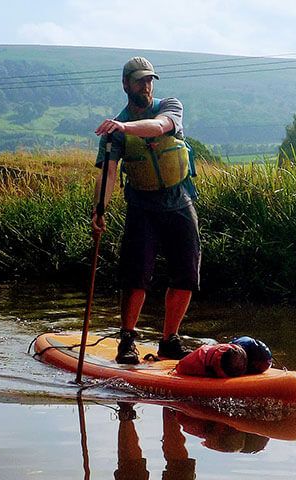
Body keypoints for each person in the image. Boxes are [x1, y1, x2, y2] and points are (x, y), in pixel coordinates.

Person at [93, 56, 201, 364]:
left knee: (186, 273)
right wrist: (99, 210)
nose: (147, 86)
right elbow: (108, 172)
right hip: (142, 205)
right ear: (126, 84)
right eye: (140, 80)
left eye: (150, 80)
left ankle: (169, 340)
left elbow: (159, 127)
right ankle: (127, 340)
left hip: (179, 201)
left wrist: (124, 127)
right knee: (136, 275)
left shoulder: (170, 106)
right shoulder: (115, 130)